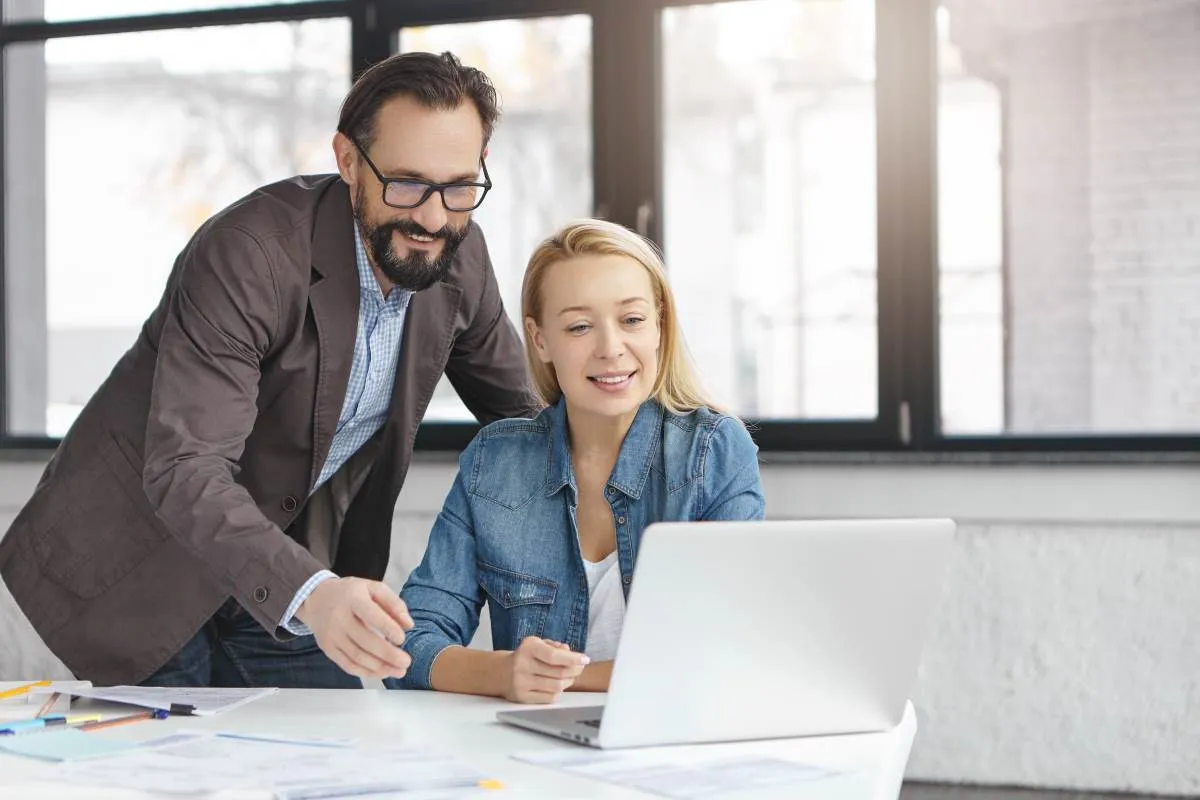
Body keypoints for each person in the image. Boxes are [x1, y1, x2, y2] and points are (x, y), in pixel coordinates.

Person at [0, 51, 539, 689]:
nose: (432, 216)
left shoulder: (459, 255)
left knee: (331, 764)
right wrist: (313, 594)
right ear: (347, 161)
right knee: (185, 777)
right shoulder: (249, 254)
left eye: (459, 187)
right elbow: (186, 467)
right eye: (406, 183)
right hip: (144, 554)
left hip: (285, 562)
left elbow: (528, 423)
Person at [390, 218, 766, 703]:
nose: (610, 349)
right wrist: (502, 674)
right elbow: (411, 643)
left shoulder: (713, 451)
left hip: (675, 743)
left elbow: (724, 652)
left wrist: (555, 680)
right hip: (532, 754)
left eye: (632, 320)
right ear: (540, 340)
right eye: (580, 327)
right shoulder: (494, 461)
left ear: (660, 327)